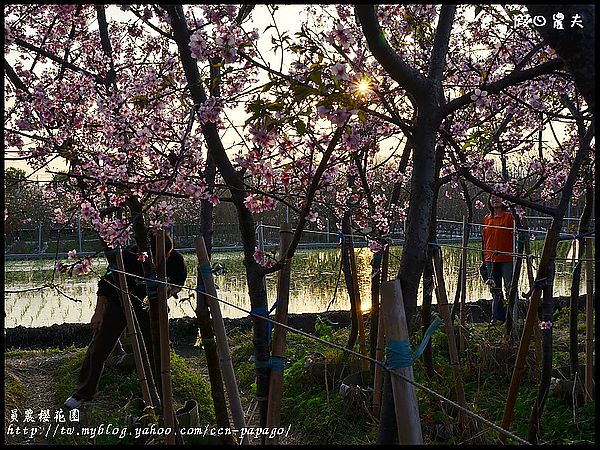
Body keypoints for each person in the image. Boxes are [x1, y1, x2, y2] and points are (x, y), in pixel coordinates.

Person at [64, 232, 187, 410]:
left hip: (149, 306)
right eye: (150, 256)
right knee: (99, 347)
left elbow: (178, 283)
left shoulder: (176, 260)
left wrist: (167, 292)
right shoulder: (127, 256)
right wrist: (98, 313)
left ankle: (159, 393)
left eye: (160, 256)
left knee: (156, 348)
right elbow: (105, 286)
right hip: (119, 302)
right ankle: (82, 393)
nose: (154, 260)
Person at [481, 194, 515, 325]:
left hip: (506, 258)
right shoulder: (487, 218)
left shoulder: (509, 217)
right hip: (490, 259)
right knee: (495, 289)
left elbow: (516, 235)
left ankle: (512, 317)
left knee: (509, 288)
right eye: (492, 198)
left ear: (504, 200)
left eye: (498, 197)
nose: (494, 200)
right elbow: (484, 240)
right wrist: (484, 258)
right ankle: (497, 318)